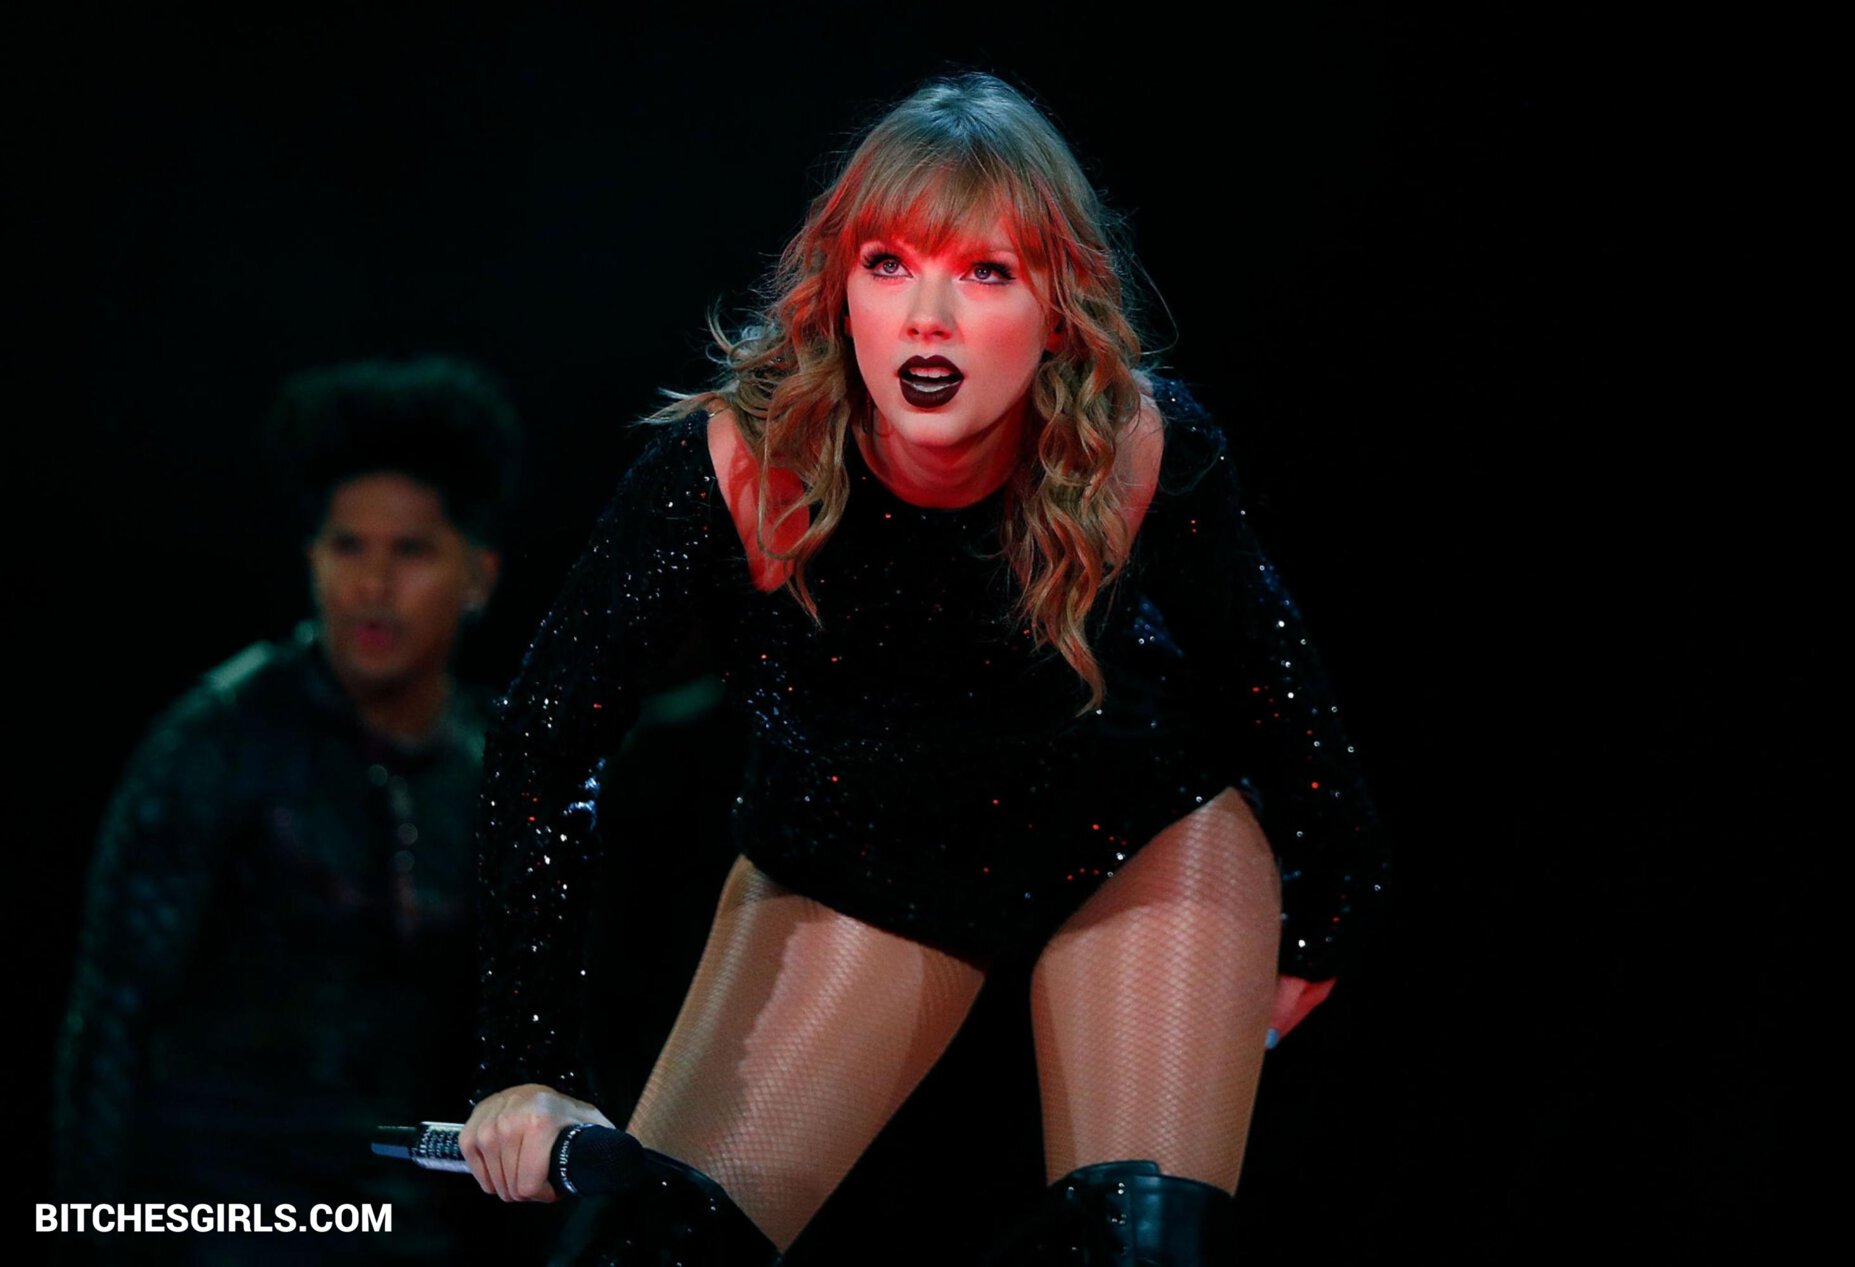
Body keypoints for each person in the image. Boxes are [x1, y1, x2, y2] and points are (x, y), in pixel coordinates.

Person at [462, 73, 1389, 1266]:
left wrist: (1327, 918)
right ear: (838, 291)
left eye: (986, 271)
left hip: (1131, 847)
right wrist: (527, 1065)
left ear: (1058, 309)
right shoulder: (737, 466)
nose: (929, 316)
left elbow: (1281, 694)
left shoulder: (1139, 446)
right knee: (653, 1250)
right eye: (890, 264)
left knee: (1137, 1248)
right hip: (851, 868)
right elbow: (543, 742)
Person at [53, 356, 554, 1261]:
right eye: (347, 547)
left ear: (477, 574)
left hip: (409, 1216)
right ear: (311, 559)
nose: (372, 584)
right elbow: (111, 1016)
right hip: (213, 1212)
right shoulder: (219, 738)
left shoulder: (494, 767)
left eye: (410, 551)